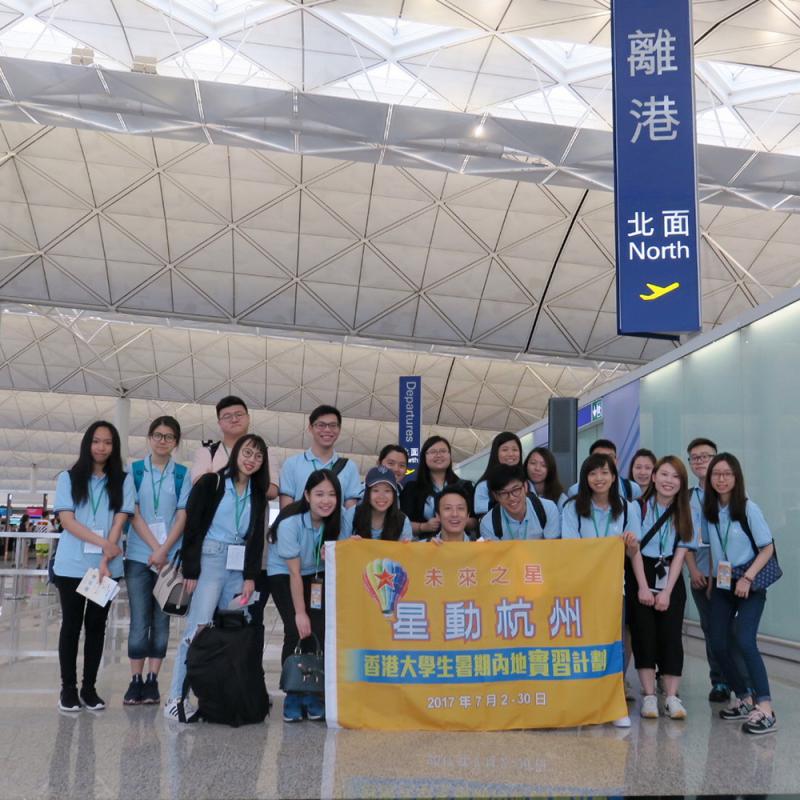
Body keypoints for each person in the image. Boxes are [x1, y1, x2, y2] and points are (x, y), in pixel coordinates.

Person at [164, 435, 268, 721]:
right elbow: (193, 526)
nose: (251, 460)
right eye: (247, 452)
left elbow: (256, 538)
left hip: (238, 565)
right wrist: (191, 569)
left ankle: (218, 695)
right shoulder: (213, 482)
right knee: (197, 629)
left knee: (230, 628)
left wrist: (250, 576)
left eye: (258, 456)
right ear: (235, 453)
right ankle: (176, 697)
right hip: (210, 561)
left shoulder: (257, 494)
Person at [561, 452, 648, 729]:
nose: (599, 478)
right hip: (582, 586)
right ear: (585, 478)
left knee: (614, 642)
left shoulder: (628, 508)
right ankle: (585, 702)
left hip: (614, 586)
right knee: (584, 641)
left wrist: (631, 544)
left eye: (605, 472)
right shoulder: (572, 508)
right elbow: (571, 548)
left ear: (614, 477)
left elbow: (634, 551)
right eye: (593, 473)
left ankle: (613, 703)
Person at [52, 421, 135, 712]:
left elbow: (120, 519)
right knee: (71, 626)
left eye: (108, 442)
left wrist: (105, 556)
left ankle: (89, 688)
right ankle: (68, 689)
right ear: (88, 443)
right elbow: (67, 521)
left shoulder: (123, 480)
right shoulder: (68, 478)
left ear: (115, 447)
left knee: (97, 627)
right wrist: (104, 545)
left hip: (106, 567)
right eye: (96, 441)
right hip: (72, 565)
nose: (101, 447)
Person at [703, 453, 778, 735]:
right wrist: (712, 580)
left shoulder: (748, 508)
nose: (721, 479)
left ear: (736, 477)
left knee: (745, 641)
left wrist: (748, 577)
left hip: (750, 584)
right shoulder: (710, 510)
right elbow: (715, 548)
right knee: (718, 643)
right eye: (716, 474)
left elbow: (767, 547)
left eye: (727, 474)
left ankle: (766, 708)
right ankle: (744, 699)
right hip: (723, 583)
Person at [267, 470, 348, 722]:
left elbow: (344, 554)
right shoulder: (290, 523)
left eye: (332, 494)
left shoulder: (340, 519)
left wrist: (337, 552)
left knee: (318, 630)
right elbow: (294, 573)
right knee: (296, 628)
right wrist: (300, 612)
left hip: (316, 575)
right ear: (307, 495)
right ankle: (293, 693)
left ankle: (312, 691)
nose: (326, 500)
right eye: (319, 494)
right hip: (285, 573)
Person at [123, 416, 190, 706]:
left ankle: (153, 680)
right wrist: (155, 548)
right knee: (139, 620)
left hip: (170, 559)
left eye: (169, 436)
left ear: (176, 442)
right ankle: (135, 679)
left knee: (162, 620)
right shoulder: (134, 470)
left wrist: (165, 551)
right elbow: (133, 512)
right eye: (158, 435)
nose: (163, 441)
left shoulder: (182, 474)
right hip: (139, 557)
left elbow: (182, 515)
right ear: (150, 438)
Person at [630, 456, 696, 720]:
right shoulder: (637, 507)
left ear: (682, 483)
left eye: (676, 477)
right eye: (665, 475)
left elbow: (680, 554)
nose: (669, 481)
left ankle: (671, 696)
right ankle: (648, 696)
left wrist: (667, 592)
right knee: (643, 635)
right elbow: (633, 550)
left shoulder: (686, 511)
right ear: (654, 477)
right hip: (641, 571)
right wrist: (643, 587)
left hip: (670, 573)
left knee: (671, 637)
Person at [682, 437, 748, 703]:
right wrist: (693, 571)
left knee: (734, 630)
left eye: (706, 456)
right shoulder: (686, 497)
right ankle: (719, 681)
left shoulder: (731, 496)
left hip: (731, 574)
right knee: (711, 629)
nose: (700, 462)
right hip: (699, 572)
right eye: (695, 458)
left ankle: (743, 684)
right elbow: (683, 535)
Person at [190, 395, 278, 498]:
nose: (234, 419)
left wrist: (216, 479)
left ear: (248, 418)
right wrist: (251, 479)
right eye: (227, 416)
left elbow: (272, 491)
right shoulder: (207, 452)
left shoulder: (266, 452)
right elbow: (199, 483)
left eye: (239, 414)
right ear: (219, 423)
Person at [279, 405, 361, 509]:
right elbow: (286, 510)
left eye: (333, 425)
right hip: (300, 520)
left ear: (339, 429)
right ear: (310, 428)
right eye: (321, 425)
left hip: (336, 520)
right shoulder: (292, 464)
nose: (327, 429)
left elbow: (350, 511)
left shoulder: (349, 467)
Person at [400, 436, 475, 540]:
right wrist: (423, 527)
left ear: (449, 455)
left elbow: (475, 520)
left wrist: (453, 521)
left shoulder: (465, 486)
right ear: (424, 457)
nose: (438, 455)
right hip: (424, 545)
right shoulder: (412, 488)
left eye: (443, 451)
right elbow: (402, 523)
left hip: (458, 544)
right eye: (433, 452)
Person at [479, 465, 559, 541]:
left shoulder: (548, 509)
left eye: (516, 490)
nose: (511, 498)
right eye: (504, 493)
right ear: (495, 496)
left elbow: (551, 547)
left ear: (525, 486)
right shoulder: (488, 524)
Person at [342, 467, 412, 541]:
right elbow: (340, 545)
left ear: (394, 494)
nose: (381, 496)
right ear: (367, 493)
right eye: (375, 490)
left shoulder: (403, 521)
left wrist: (404, 546)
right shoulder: (352, 514)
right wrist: (349, 543)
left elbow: (406, 547)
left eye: (387, 491)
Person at [567, 439, 641, 501]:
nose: (605, 462)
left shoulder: (632, 489)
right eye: (599, 457)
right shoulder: (575, 491)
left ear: (616, 461)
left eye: (610, 457)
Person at [472, 433, 523, 516]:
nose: (511, 454)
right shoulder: (484, 485)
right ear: (495, 453)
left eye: (515, 450)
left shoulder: (527, 481)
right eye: (505, 450)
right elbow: (479, 509)